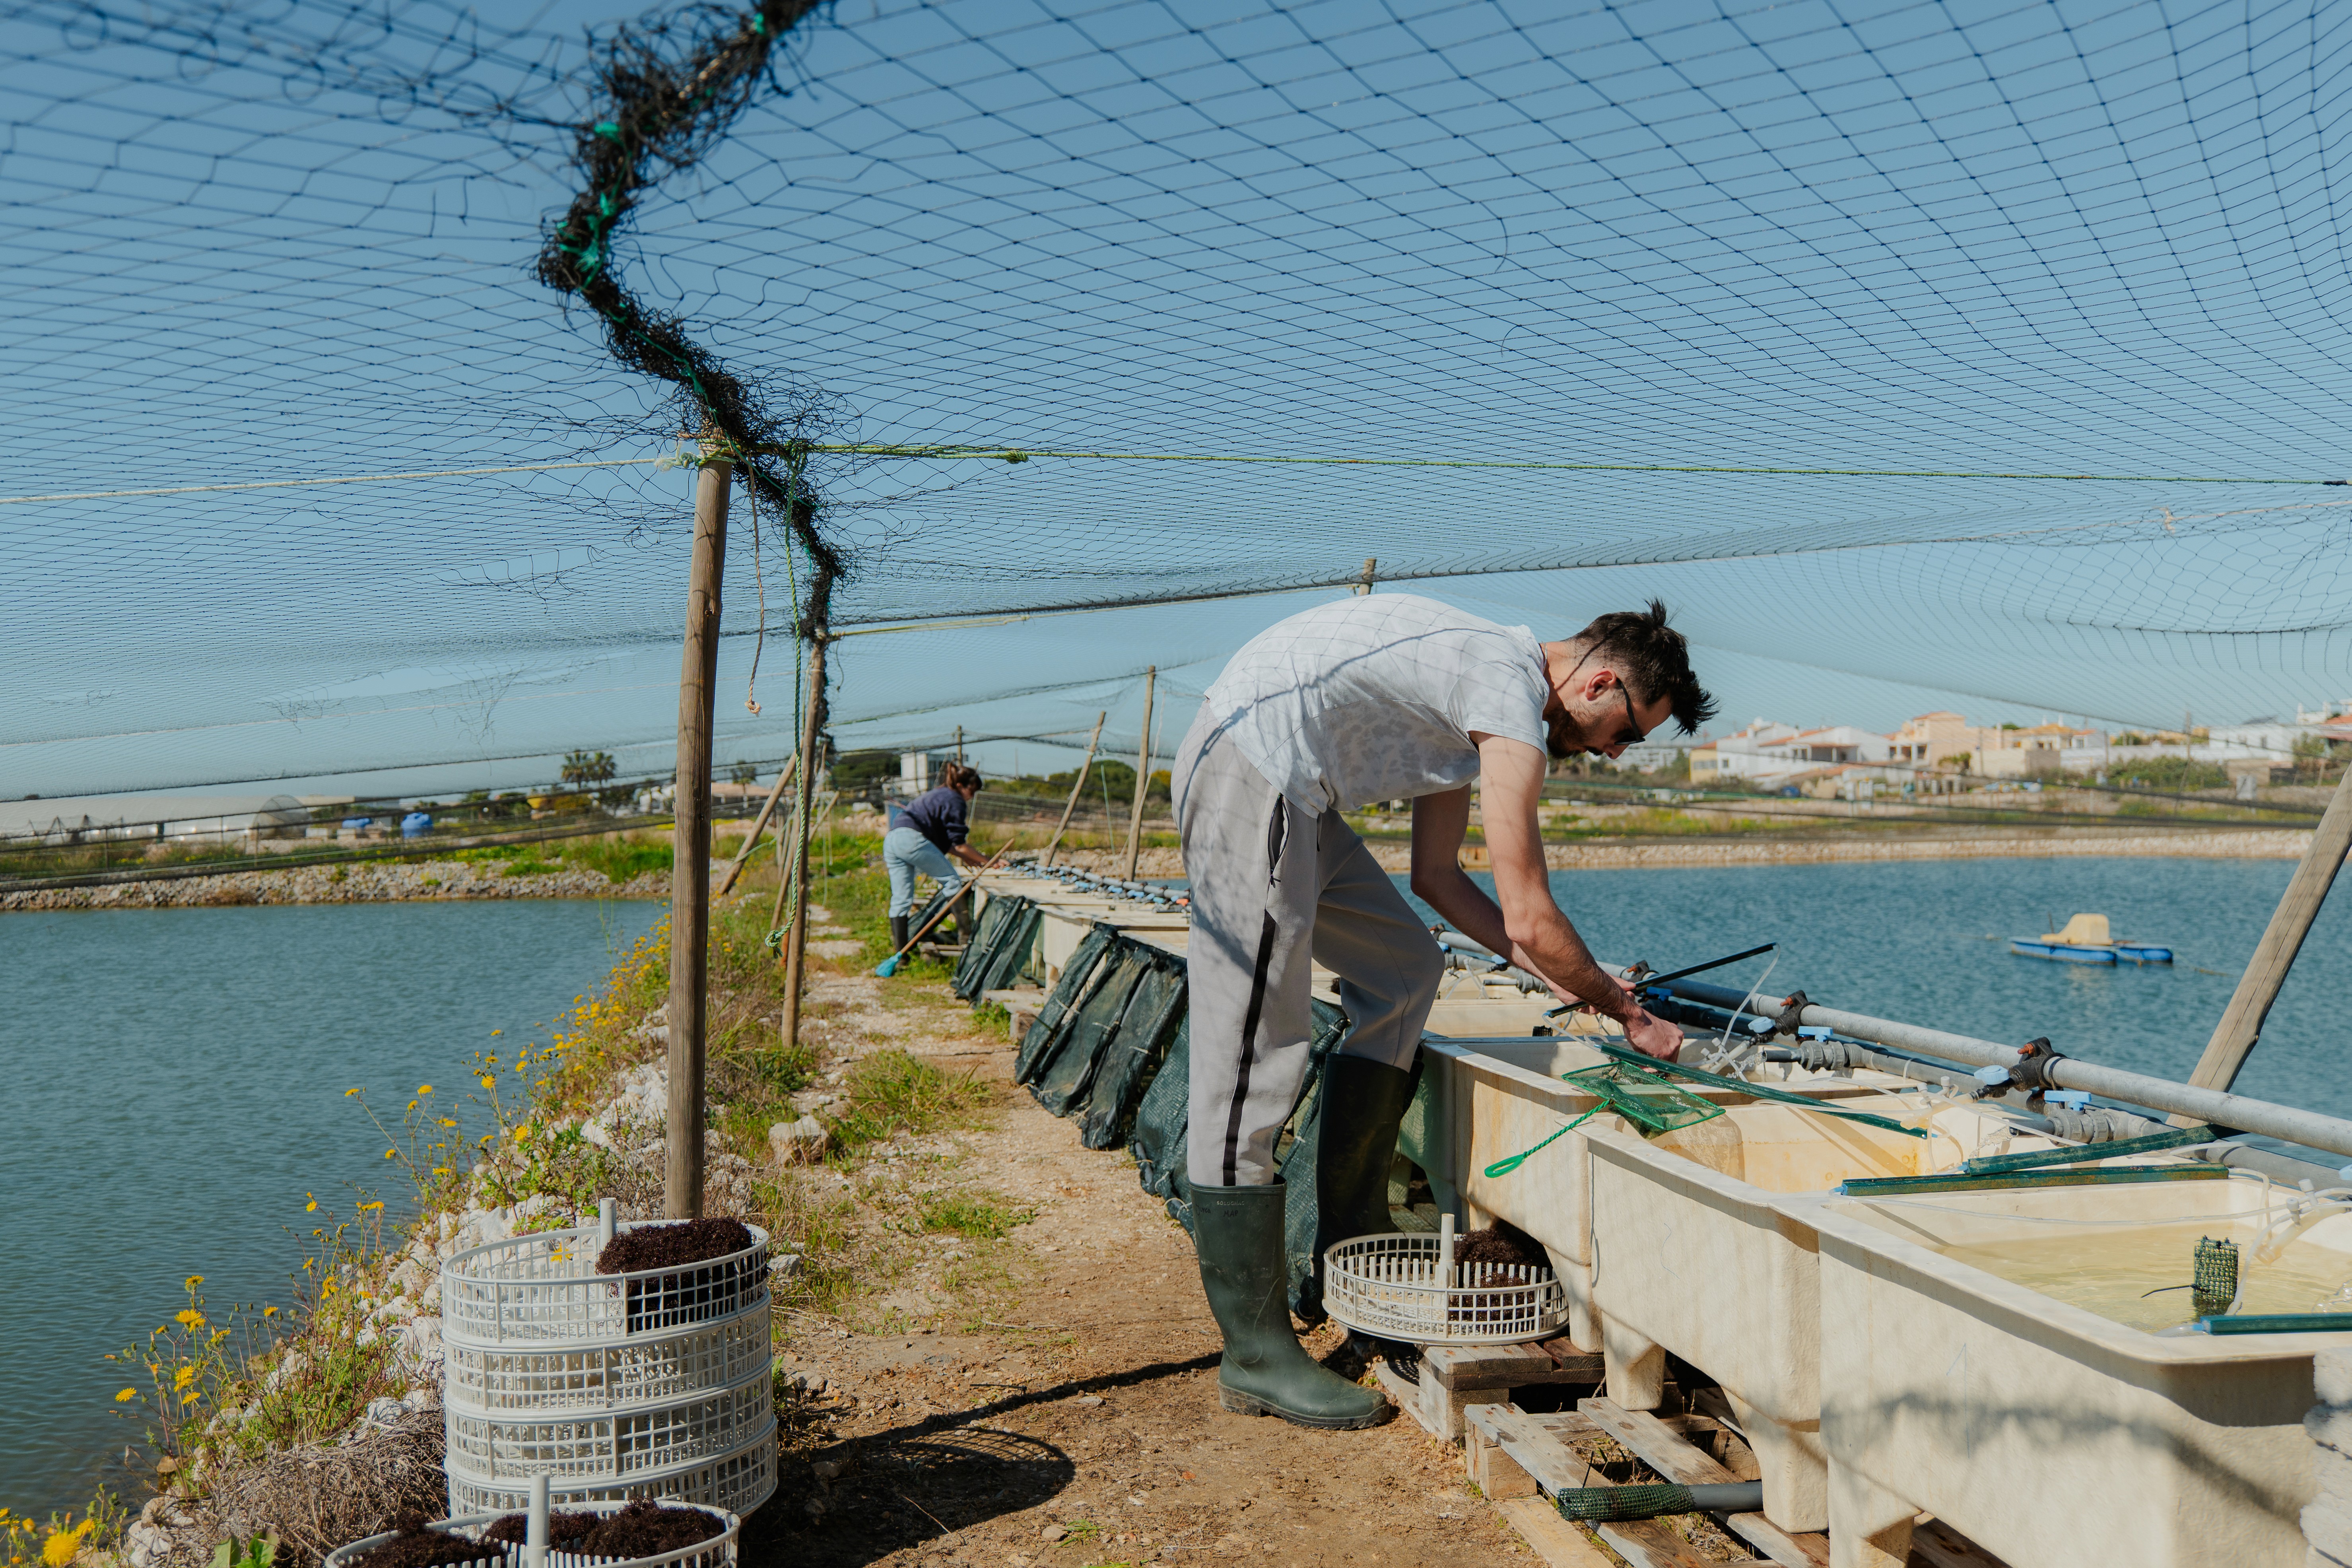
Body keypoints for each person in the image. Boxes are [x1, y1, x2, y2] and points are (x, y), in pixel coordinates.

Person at [1170, 594, 1715, 1430]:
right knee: (1252, 1055)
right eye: (1627, 732)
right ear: (1600, 682)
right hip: (1252, 770)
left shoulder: (1480, 696)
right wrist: (1623, 1010)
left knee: (1404, 969)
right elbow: (1527, 912)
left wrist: (1568, 976)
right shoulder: (1504, 691)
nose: (1613, 751)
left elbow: (1438, 878)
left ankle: (1347, 1237)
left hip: (1297, 794)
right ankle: (1253, 1352)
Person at [884, 763, 991, 954]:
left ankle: (901, 956)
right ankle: (966, 938)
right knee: (952, 882)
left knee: (901, 900)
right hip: (912, 838)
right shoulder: (955, 799)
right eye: (971, 791)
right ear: (960, 786)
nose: (972, 796)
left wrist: (968, 858)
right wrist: (988, 861)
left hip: (893, 839)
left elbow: (947, 845)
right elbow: (959, 844)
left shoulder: (938, 794)